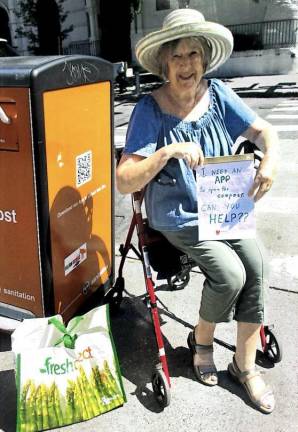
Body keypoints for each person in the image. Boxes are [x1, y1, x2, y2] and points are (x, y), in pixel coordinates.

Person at [116, 8, 279, 414]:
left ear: (204, 59)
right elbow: (124, 178)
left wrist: (270, 160)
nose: (186, 65)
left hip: (225, 206)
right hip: (179, 217)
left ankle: (244, 367)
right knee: (229, 274)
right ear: (164, 63)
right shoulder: (149, 110)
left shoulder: (219, 94)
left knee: (257, 266)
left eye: (193, 55)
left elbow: (265, 131)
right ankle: (201, 341)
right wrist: (167, 151)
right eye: (177, 56)